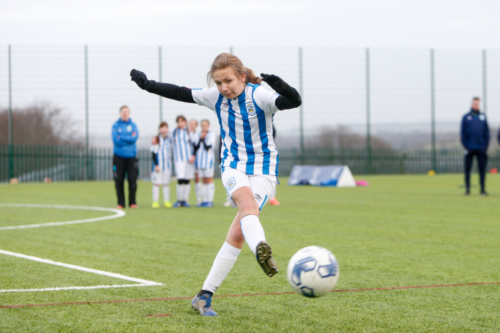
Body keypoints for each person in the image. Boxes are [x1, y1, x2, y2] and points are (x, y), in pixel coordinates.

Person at [130, 52, 301, 316]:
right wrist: (148, 84)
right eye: (219, 82)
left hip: (264, 171)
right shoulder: (216, 97)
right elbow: (179, 92)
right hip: (232, 165)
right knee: (246, 204)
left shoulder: (259, 96)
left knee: (237, 233)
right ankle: (261, 248)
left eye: (229, 81)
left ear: (242, 77)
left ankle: (203, 296)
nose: (224, 88)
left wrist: (280, 86)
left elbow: (293, 101)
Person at [461, 97, 490, 196]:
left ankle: (482, 189)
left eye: (477, 104)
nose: (475, 105)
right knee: (467, 169)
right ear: (471, 104)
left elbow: (487, 132)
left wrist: (486, 145)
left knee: (482, 169)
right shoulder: (466, 117)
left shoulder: (483, 116)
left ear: (479, 104)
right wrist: (465, 146)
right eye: (474, 104)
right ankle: (468, 190)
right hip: (469, 147)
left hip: (481, 147)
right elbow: (462, 133)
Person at [111, 106, 139, 209]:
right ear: (120, 113)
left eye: (126, 112)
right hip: (118, 157)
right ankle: (120, 203)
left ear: (129, 113)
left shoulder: (133, 125)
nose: (125, 113)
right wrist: (128, 138)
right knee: (119, 181)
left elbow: (134, 138)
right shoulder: (115, 125)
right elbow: (115, 140)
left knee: (132, 180)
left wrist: (122, 137)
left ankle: (132, 202)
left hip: (131, 157)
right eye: (123, 112)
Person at [172, 115, 196, 207]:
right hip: (179, 160)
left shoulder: (188, 132)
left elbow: (194, 144)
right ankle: (179, 200)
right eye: (178, 121)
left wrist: (193, 155)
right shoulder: (174, 132)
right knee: (180, 179)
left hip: (189, 159)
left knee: (187, 179)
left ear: (185, 122)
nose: (180, 123)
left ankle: (185, 200)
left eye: (182, 121)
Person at [151, 122, 173, 208]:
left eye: (165, 128)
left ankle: (166, 201)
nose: (164, 129)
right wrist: (156, 164)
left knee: (166, 183)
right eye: (162, 127)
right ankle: (155, 201)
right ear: (159, 129)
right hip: (158, 166)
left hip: (167, 166)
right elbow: (154, 153)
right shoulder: (156, 139)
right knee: (156, 183)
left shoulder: (169, 139)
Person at [195, 119, 216, 207]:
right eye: (202, 125)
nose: (204, 127)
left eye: (205, 125)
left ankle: (210, 200)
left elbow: (208, 147)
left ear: (208, 126)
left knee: (209, 180)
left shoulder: (211, 135)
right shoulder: (198, 135)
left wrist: (203, 139)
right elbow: (196, 147)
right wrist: (201, 139)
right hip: (200, 162)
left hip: (208, 162)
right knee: (203, 180)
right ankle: (204, 200)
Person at [188, 119, 202, 206]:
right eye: (190, 124)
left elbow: (197, 146)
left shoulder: (198, 135)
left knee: (197, 178)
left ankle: (199, 199)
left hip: (196, 159)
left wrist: (193, 155)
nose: (191, 125)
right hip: (187, 160)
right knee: (187, 179)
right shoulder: (186, 134)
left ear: (196, 126)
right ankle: (186, 199)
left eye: (193, 124)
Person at [268, 125, 280, 206]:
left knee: (271, 175)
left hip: (268, 153)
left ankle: (272, 198)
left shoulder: (268, 122)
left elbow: (273, 133)